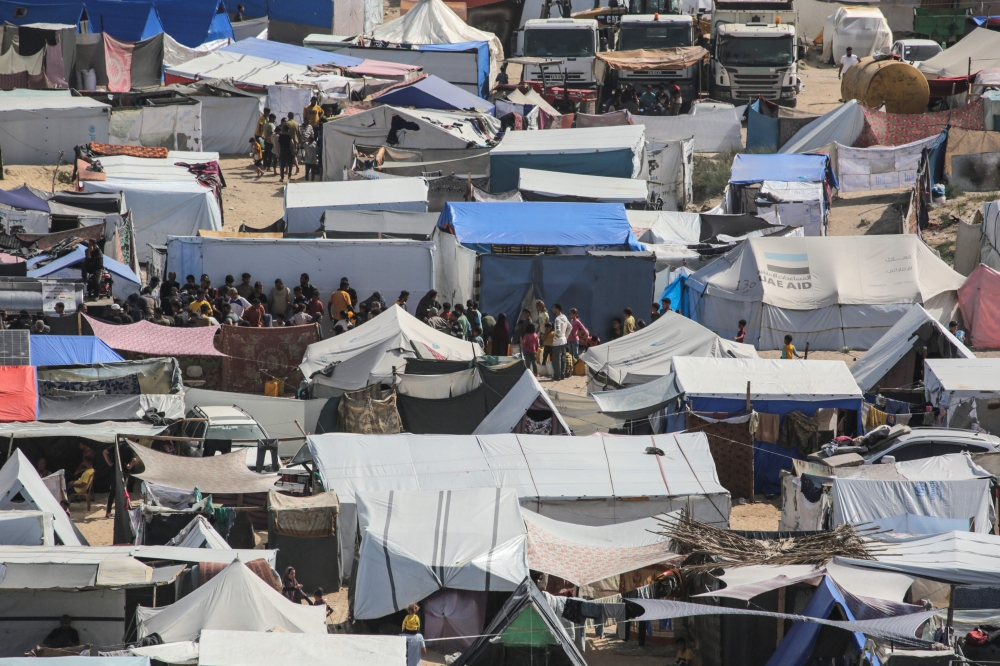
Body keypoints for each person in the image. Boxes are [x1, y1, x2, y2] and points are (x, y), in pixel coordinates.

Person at [551, 303, 570, 381]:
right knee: (562, 359)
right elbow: (570, 327)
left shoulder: (557, 319)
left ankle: (557, 376)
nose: (553, 309)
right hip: (564, 341)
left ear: (557, 309)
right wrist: (566, 336)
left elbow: (558, 330)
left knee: (556, 360)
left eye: (554, 308)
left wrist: (554, 339)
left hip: (558, 342)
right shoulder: (564, 317)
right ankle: (562, 375)